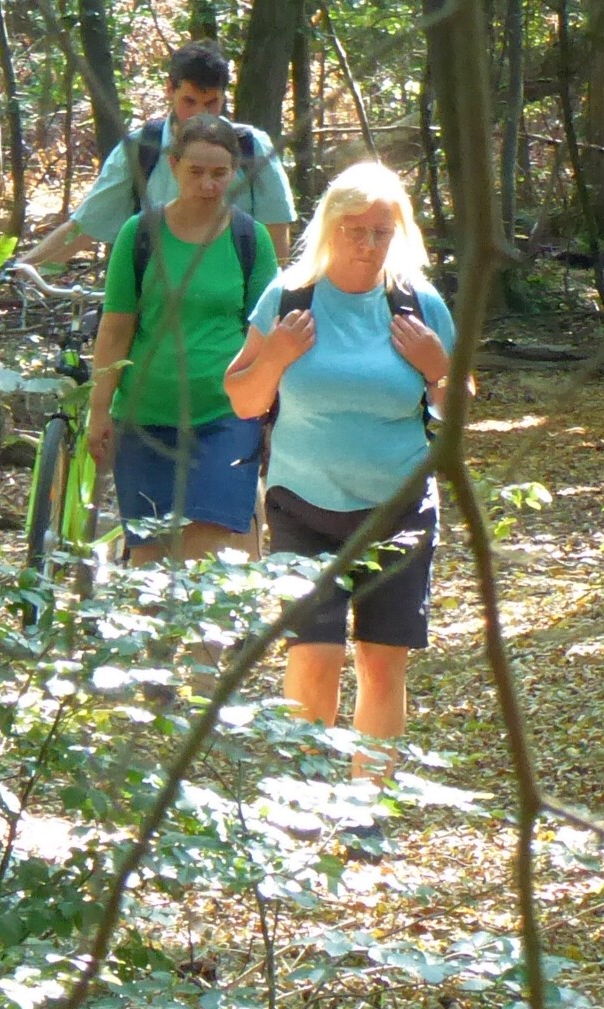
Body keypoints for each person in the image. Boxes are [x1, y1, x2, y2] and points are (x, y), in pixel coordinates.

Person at [224, 162, 458, 855]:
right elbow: (242, 397)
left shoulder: (416, 303)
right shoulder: (291, 296)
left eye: (380, 231)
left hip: (399, 508)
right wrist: (279, 355)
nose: (366, 243)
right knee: (314, 654)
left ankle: (366, 813)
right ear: (330, 228)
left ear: (399, 233)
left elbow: (460, 406)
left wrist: (438, 367)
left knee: (383, 662)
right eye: (354, 230)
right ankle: (305, 800)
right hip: (302, 502)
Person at [86, 114, 278, 567]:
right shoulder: (139, 235)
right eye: (196, 171)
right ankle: (154, 640)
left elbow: (269, 338)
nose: (208, 184)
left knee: (207, 545)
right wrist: (99, 410)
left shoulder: (251, 239)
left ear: (235, 173)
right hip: (145, 419)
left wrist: (272, 414)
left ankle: (208, 642)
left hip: (225, 416)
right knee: (149, 559)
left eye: (220, 173)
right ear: (173, 166)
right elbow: (116, 328)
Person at [17, 39, 295, 265]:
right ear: (170, 90)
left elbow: (276, 234)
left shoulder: (252, 146)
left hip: (232, 294)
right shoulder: (140, 148)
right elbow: (86, 226)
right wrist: (22, 268)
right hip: (156, 294)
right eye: (189, 101)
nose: (199, 114)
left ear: (224, 97)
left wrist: (271, 304)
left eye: (211, 103)